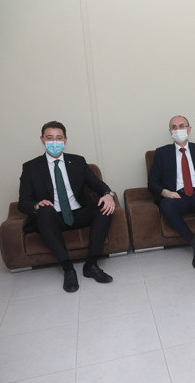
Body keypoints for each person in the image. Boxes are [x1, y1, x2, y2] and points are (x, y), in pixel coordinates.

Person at [18, 121, 116, 293]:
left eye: (59, 138)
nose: (54, 142)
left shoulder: (77, 161)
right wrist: (36, 204)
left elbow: (97, 184)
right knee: (44, 211)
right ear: (42, 140)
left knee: (105, 206)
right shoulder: (31, 168)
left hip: (78, 212)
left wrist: (108, 194)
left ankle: (91, 264)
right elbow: (23, 202)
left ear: (65, 140)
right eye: (50, 138)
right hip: (53, 218)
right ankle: (68, 268)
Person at [148, 115, 195, 270]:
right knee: (166, 205)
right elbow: (152, 183)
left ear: (189, 129)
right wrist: (166, 193)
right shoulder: (161, 153)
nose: (178, 130)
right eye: (174, 127)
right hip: (177, 196)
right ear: (170, 132)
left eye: (182, 126)